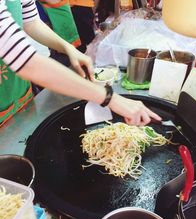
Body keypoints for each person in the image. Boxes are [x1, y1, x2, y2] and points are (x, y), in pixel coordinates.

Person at [0, 0, 161, 127]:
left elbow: (31, 21)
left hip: (17, 90)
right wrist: (111, 99)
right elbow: (27, 63)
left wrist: (68, 48)